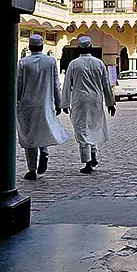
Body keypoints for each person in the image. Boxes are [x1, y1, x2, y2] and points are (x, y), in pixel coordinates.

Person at [16, 34, 70, 181]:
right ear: (41, 46)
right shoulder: (50, 61)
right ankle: (44, 152)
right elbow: (55, 84)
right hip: (45, 103)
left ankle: (31, 170)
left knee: (29, 136)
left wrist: (16, 101)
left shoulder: (23, 63)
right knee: (43, 129)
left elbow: (18, 84)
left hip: (27, 105)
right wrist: (58, 104)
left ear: (30, 46)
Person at [62, 36, 116, 174]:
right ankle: (93, 154)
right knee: (93, 127)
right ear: (91, 47)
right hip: (96, 100)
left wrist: (65, 103)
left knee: (82, 129)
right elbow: (106, 85)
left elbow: (67, 85)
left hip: (80, 100)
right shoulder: (99, 63)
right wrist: (110, 103)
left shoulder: (74, 64)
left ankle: (88, 161)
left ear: (79, 48)